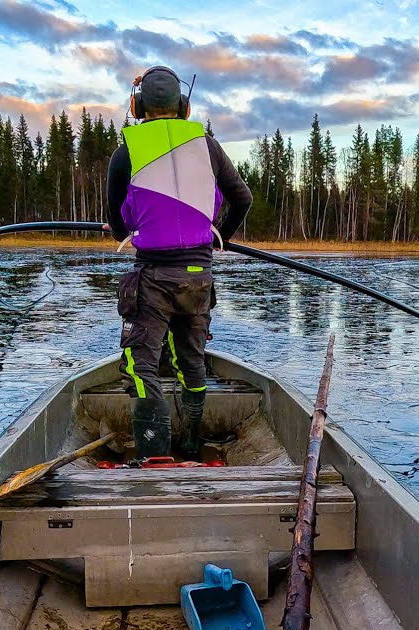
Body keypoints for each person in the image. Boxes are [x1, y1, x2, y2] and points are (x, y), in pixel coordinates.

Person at [104, 65, 252, 461]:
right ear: (184, 108)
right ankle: (190, 447)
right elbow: (243, 198)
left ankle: (155, 456)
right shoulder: (208, 146)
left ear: (137, 107)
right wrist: (221, 237)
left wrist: (120, 230)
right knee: (192, 362)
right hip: (199, 277)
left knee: (140, 366)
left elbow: (118, 219)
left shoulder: (125, 152)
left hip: (152, 277)